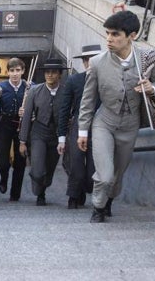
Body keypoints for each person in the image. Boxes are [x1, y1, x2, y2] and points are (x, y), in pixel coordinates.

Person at [77, 10, 155, 223]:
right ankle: (97, 208)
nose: (109, 39)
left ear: (131, 36)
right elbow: (87, 100)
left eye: (115, 34)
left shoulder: (147, 60)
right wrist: (82, 131)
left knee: (117, 176)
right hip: (103, 123)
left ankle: (108, 202)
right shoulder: (97, 63)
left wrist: (152, 87)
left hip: (130, 126)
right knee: (104, 175)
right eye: (107, 33)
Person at [57, 45, 101, 210]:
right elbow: (64, 109)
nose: (90, 63)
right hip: (78, 124)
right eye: (87, 60)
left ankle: (85, 188)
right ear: (83, 62)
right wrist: (61, 137)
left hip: (100, 125)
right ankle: (73, 196)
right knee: (76, 164)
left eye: (94, 59)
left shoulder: (106, 80)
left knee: (93, 169)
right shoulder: (74, 80)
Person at [18, 58, 66, 206]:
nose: (50, 75)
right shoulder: (35, 91)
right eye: (47, 72)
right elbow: (26, 117)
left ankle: (43, 190)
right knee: (38, 168)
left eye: (53, 72)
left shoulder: (65, 91)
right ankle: (39, 191)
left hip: (57, 133)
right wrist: (23, 141)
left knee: (50, 166)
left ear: (59, 75)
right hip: (39, 132)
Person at [0, 57, 27, 201]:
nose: (15, 74)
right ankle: (4, 177)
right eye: (12, 71)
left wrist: (28, 112)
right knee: (2, 161)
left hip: (22, 127)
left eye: (18, 70)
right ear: (8, 72)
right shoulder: (1, 88)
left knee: (20, 161)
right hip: (5, 124)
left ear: (23, 71)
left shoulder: (30, 87)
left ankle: (15, 194)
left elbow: (36, 107)